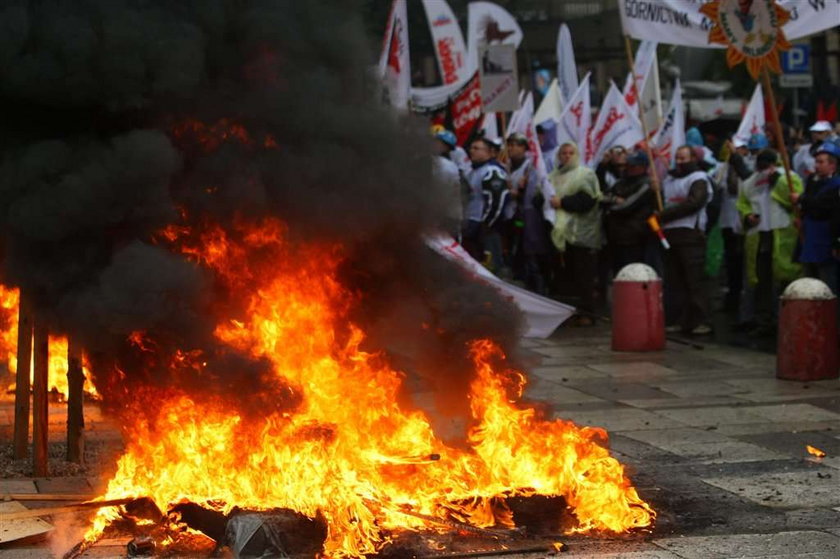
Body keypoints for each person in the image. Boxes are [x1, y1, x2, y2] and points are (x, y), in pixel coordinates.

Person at [735, 149, 803, 332]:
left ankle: (786, 319)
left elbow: (795, 200)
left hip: (782, 233)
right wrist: (748, 216)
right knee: (762, 279)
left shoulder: (788, 177)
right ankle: (764, 320)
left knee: (784, 278)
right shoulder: (750, 182)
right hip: (760, 235)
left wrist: (778, 183)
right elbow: (743, 203)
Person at [659, 145, 713, 335]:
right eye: (678, 158)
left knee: (694, 280)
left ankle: (701, 320)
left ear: (693, 158)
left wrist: (666, 214)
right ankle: (679, 319)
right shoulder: (670, 179)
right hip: (670, 234)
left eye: (684, 158)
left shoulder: (698, 178)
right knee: (674, 281)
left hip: (691, 234)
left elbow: (694, 203)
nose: (680, 162)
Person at [548, 142, 602, 325]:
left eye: (571, 152)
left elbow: (587, 201)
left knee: (584, 276)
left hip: (581, 234)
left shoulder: (585, 174)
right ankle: (570, 311)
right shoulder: (553, 176)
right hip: (560, 234)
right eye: (563, 153)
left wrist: (562, 202)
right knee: (566, 276)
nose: (567, 156)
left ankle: (588, 313)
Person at [506, 132, 555, 293]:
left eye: (516, 145)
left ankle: (539, 290)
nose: (512, 148)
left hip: (530, 219)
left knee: (532, 255)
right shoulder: (508, 165)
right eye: (510, 144)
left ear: (524, 148)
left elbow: (536, 197)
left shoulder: (532, 167)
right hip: (515, 217)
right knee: (518, 252)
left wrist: (521, 191)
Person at [793, 140, 840, 295]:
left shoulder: (836, 186)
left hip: (826, 244)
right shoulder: (813, 182)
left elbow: (821, 206)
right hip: (810, 242)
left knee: (828, 288)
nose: (816, 165)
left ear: (832, 165)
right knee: (809, 287)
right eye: (816, 161)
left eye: (821, 162)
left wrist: (801, 199)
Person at [602, 150, 659, 275]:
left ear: (643, 167)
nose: (629, 168)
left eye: (634, 165)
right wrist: (614, 199)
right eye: (628, 164)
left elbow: (627, 206)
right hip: (616, 236)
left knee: (633, 273)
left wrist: (612, 206)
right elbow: (601, 198)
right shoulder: (621, 182)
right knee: (618, 272)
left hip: (635, 237)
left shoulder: (647, 184)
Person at [462, 137, 501, 262]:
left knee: (487, 262)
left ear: (488, 152)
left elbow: (496, 201)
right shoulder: (471, 171)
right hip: (470, 221)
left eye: (476, 148)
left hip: (483, 226)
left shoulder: (491, 172)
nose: (471, 151)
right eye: (471, 148)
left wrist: (487, 224)